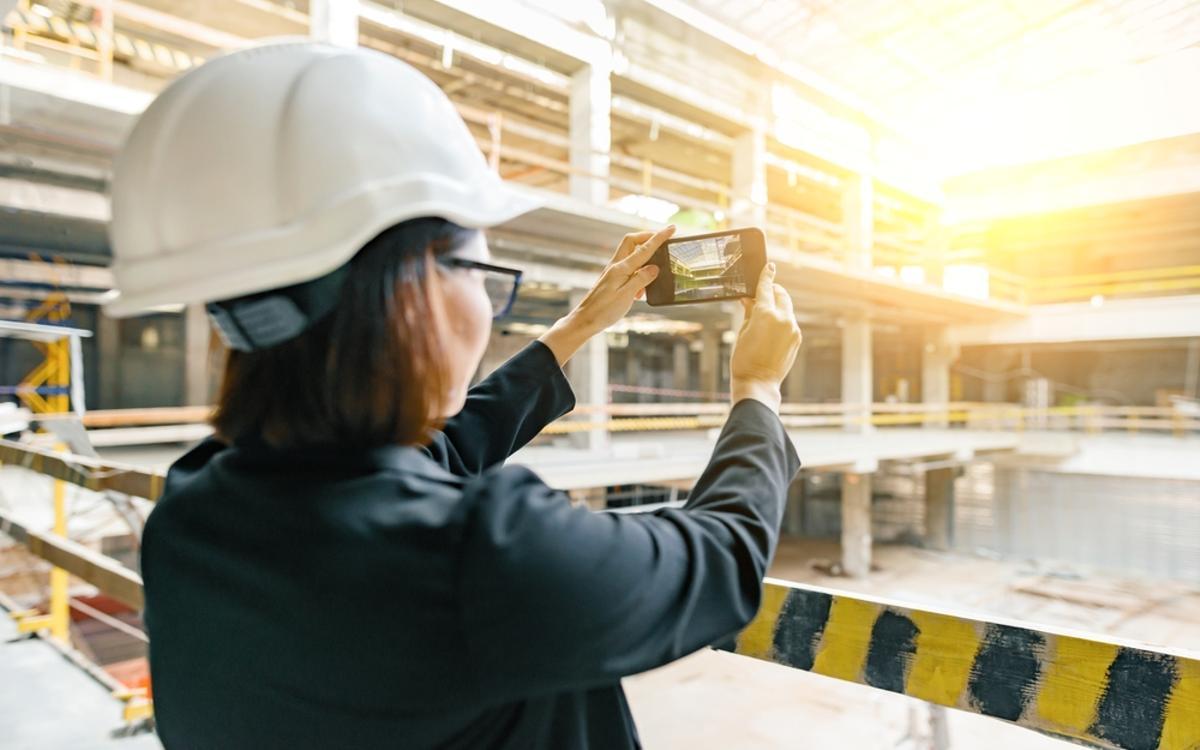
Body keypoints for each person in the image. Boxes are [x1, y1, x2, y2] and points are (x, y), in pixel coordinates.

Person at [107, 41, 802, 749]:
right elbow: (722, 559)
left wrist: (575, 329)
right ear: (407, 292)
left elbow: (419, 466)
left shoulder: (192, 510)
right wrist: (756, 390)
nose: (485, 302)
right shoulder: (483, 558)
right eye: (477, 267)